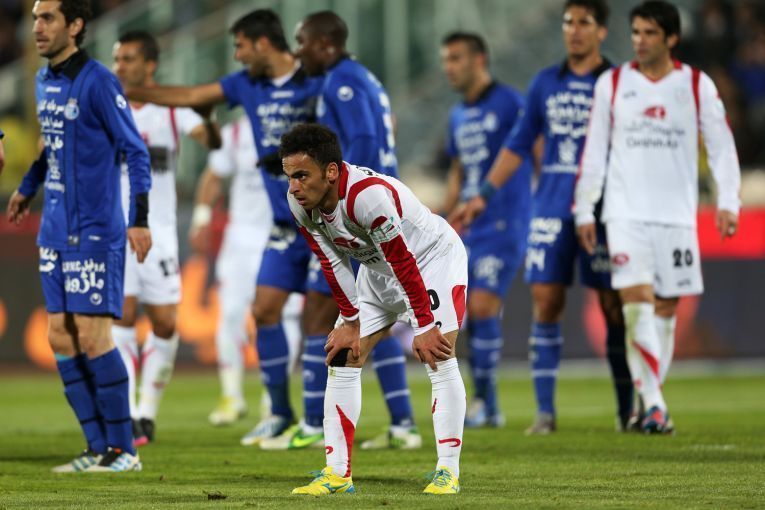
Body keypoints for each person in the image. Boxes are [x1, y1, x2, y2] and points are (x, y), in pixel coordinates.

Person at [126, 9, 324, 445]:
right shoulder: (245, 85)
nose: (236, 55)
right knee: (264, 310)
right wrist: (129, 90)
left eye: (240, 46)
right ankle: (278, 413)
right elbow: (193, 94)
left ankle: (319, 420)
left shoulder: (315, 78)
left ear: (262, 43)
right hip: (282, 225)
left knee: (318, 318)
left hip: (325, 223)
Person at [451, 0, 634, 434]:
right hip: (551, 206)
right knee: (546, 301)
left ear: (602, 31)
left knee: (612, 307)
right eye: (568, 22)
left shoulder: (618, 83)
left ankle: (627, 409)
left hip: (604, 209)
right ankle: (545, 413)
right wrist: (483, 195)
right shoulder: (544, 83)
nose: (574, 30)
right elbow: (519, 143)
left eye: (584, 23)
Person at [258, 9, 422, 451]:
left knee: (320, 312)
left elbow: (364, 141)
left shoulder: (340, 82)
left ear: (325, 45)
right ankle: (402, 424)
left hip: (360, 214)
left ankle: (315, 423)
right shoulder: (360, 77)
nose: (298, 52)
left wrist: (344, 201)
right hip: (376, 211)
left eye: (303, 42)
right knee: (373, 314)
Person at [574, 0, 741, 433]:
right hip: (625, 213)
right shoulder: (613, 84)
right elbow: (594, 150)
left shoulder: (696, 85)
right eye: (636, 32)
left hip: (677, 216)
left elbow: (721, 144)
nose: (640, 41)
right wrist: (585, 207)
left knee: (666, 306)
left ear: (671, 38)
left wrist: (729, 200)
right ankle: (654, 402)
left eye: (650, 33)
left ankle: (650, 400)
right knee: (636, 303)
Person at [283, 124, 467, 496]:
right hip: (378, 270)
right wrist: (350, 322)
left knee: (438, 355)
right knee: (342, 355)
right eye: (289, 176)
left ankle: (448, 472)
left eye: (302, 175)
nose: (294, 186)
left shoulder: (366, 197)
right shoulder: (300, 204)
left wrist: (424, 325)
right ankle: (338, 474)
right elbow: (332, 261)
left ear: (330, 171)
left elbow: (403, 260)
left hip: (431, 262)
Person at [6, 0, 151, 472]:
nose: (37, 27)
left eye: (47, 18)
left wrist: (139, 218)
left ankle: (124, 450)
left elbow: (136, 151)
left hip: (95, 232)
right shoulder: (42, 79)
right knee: (59, 337)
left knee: (93, 336)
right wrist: (27, 188)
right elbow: (51, 147)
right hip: (54, 229)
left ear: (76, 25)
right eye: (34, 18)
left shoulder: (99, 82)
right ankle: (96, 447)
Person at [109, 30, 221, 446]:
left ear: (150, 65)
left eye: (128, 58)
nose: (120, 66)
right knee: (121, 316)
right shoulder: (109, 105)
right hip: (115, 230)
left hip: (159, 233)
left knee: (165, 322)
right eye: (117, 58)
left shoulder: (172, 108)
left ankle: (148, 411)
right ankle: (130, 414)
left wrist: (208, 116)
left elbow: (211, 141)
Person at [440, 32, 531, 428]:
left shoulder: (509, 101)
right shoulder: (457, 115)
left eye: (456, 58)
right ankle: (486, 404)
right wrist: (445, 217)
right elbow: (458, 170)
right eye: (445, 59)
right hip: (469, 225)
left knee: (482, 306)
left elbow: (533, 149)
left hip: (506, 219)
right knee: (465, 314)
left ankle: (486, 403)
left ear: (479, 60)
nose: (448, 67)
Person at [189, 115, 303, 426]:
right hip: (240, 240)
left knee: (286, 317)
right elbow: (214, 175)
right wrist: (201, 218)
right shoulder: (237, 130)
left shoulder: (298, 126)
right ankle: (231, 396)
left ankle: (272, 399)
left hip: (283, 236)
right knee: (230, 315)